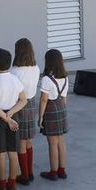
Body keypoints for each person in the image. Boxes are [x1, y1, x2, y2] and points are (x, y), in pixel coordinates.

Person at [0, 48, 26, 190]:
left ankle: (2, 185)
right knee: (13, 151)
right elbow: (23, 100)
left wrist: (6, 118)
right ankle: (12, 184)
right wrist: (11, 113)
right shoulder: (15, 79)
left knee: (0, 153)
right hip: (13, 116)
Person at [10, 38, 41, 185]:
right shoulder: (36, 68)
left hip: (19, 104)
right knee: (28, 139)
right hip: (32, 103)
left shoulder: (15, 71)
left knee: (20, 141)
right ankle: (30, 172)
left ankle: (24, 175)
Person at [37, 48, 69, 180]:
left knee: (52, 143)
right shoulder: (65, 77)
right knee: (61, 141)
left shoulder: (46, 79)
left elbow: (44, 100)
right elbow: (64, 98)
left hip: (50, 110)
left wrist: (40, 116)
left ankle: (53, 172)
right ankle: (62, 170)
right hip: (62, 108)